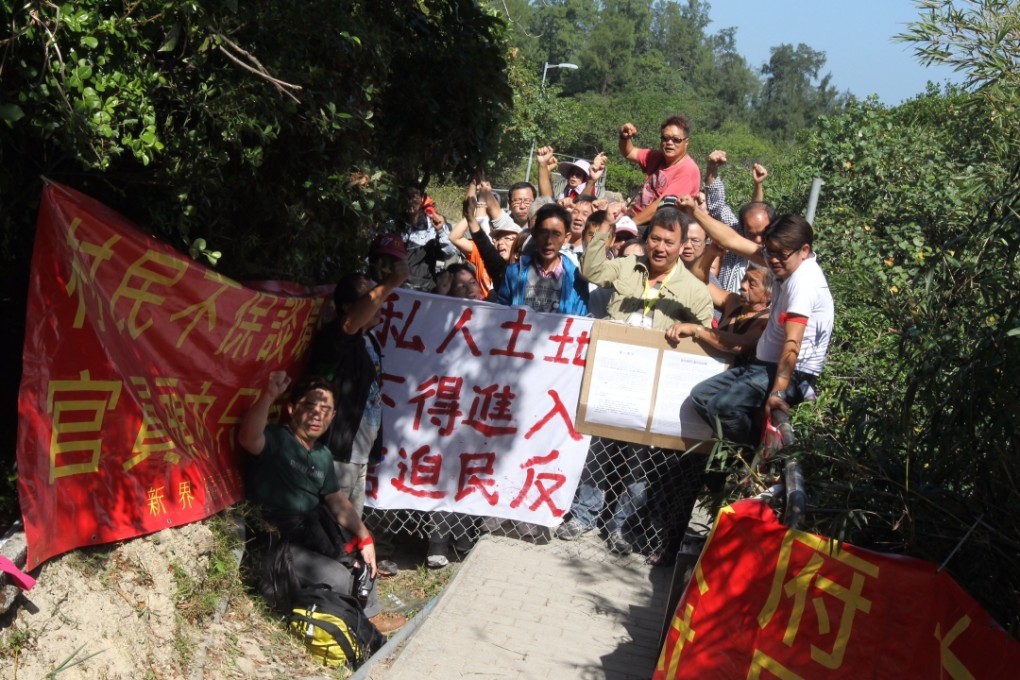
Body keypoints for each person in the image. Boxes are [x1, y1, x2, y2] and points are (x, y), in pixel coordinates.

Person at [556, 206, 713, 554]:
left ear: (681, 245)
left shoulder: (693, 290)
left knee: (639, 465)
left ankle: (622, 527)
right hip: (612, 380)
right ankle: (583, 516)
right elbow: (591, 268)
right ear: (646, 238)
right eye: (655, 238)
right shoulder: (627, 267)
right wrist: (606, 227)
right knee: (599, 452)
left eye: (669, 242)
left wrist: (689, 331)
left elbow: (706, 340)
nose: (660, 247)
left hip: (653, 392)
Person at [676, 199, 834, 447]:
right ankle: (752, 447)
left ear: (804, 250)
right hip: (762, 367)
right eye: (769, 252)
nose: (772, 261)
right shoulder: (786, 262)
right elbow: (732, 240)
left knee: (721, 407)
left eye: (780, 255)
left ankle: (756, 456)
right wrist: (695, 212)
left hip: (792, 374)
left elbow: (793, 343)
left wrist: (778, 392)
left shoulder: (804, 283)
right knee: (701, 396)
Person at [238, 371, 382, 617]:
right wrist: (268, 396)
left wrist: (365, 537)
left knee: (364, 565)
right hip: (275, 541)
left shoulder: (323, 455)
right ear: (292, 409)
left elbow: (336, 500)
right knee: (337, 577)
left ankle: (368, 621)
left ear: (333, 416)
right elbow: (248, 439)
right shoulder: (277, 438)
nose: (317, 414)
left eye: (325, 409)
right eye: (310, 406)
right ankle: (341, 628)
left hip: (310, 536)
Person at [495, 202, 589, 316]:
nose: (548, 241)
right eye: (544, 233)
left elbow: (579, 319)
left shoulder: (576, 278)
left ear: (566, 238)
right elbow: (500, 314)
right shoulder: (514, 272)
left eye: (556, 234)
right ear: (534, 234)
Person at [665, 265, 773, 360]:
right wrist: (713, 250)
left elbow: (739, 345)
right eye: (744, 278)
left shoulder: (766, 320)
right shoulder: (733, 301)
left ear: (770, 294)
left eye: (752, 284)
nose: (744, 285)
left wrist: (696, 330)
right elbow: (700, 278)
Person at [703, 150, 771, 292]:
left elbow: (757, 214)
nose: (758, 240)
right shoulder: (735, 237)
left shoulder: (777, 257)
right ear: (743, 229)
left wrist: (758, 185)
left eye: (763, 234)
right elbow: (718, 207)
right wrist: (712, 168)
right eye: (752, 234)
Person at [618, 115, 701, 226]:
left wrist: (630, 225)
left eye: (676, 140)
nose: (670, 143)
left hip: (656, 227)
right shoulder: (657, 157)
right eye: (665, 138)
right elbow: (629, 152)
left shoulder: (688, 170)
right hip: (635, 219)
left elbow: (663, 204)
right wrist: (625, 137)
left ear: (686, 142)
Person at [390, 183, 458, 292]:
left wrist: (440, 231)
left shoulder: (434, 223)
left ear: (422, 199)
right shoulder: (392, 224)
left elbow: (451, 253)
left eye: (414, 195)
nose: (410, 200)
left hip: (425, 288)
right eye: (407, 196)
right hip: (396, 287)